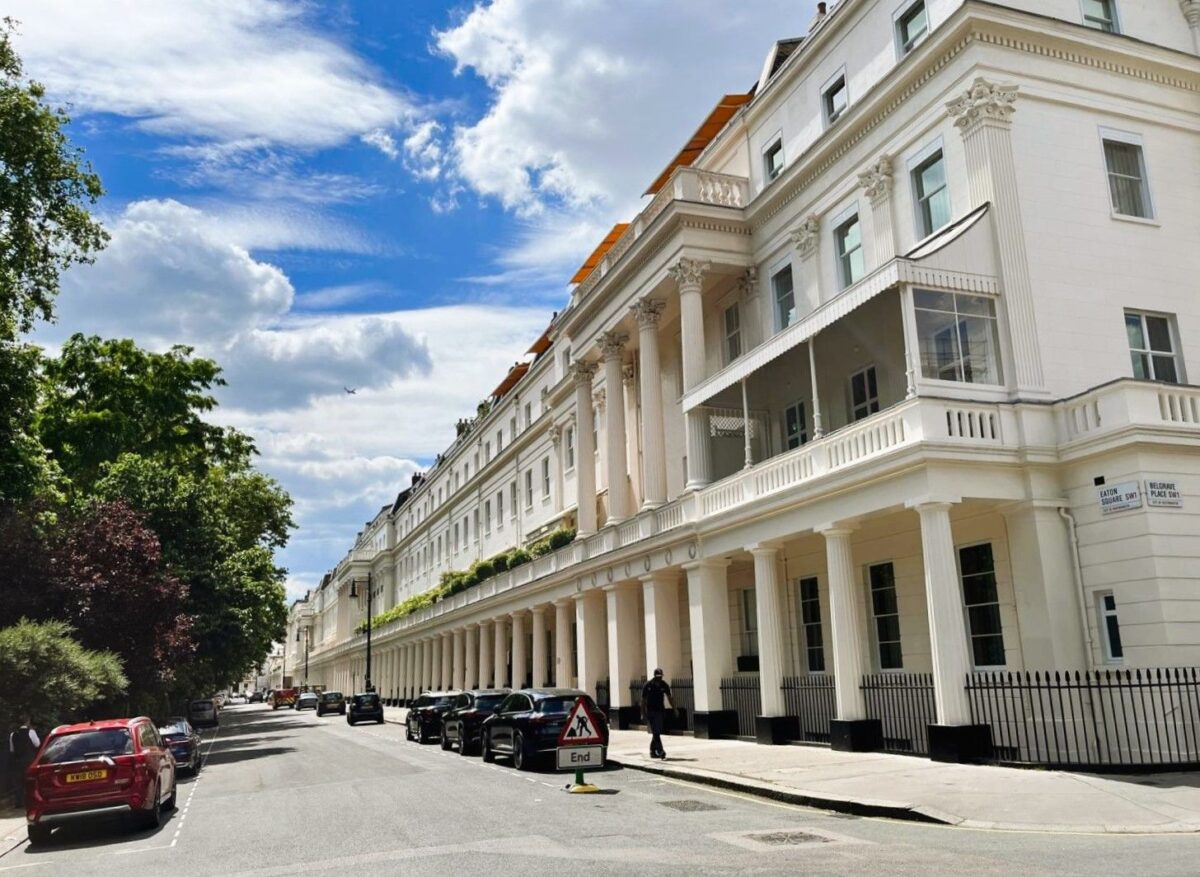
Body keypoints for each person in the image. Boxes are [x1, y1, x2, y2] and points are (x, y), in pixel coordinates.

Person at [640, 669, 676, 760]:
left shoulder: (664, 685)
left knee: (657, 732)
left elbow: (669, 697)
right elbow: (643, 701)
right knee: (656, 732)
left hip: (660, 711)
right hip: (651, 711)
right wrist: (643, 714)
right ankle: (661, 751)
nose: (659, 678)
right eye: (658, 677)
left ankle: (652, 751)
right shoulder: (648, 685)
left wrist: (675, 709)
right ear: (655, 676)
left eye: (661, 676)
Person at [9, 718, 40, 808]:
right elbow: (37, 744)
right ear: (28, 722)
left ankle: (19, 803)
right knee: (31, 780)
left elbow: (12, 749)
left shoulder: (13, 734)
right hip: (30, 760)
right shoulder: (31, 732)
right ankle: (32, 800)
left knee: (19, 782)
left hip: (18, 761)